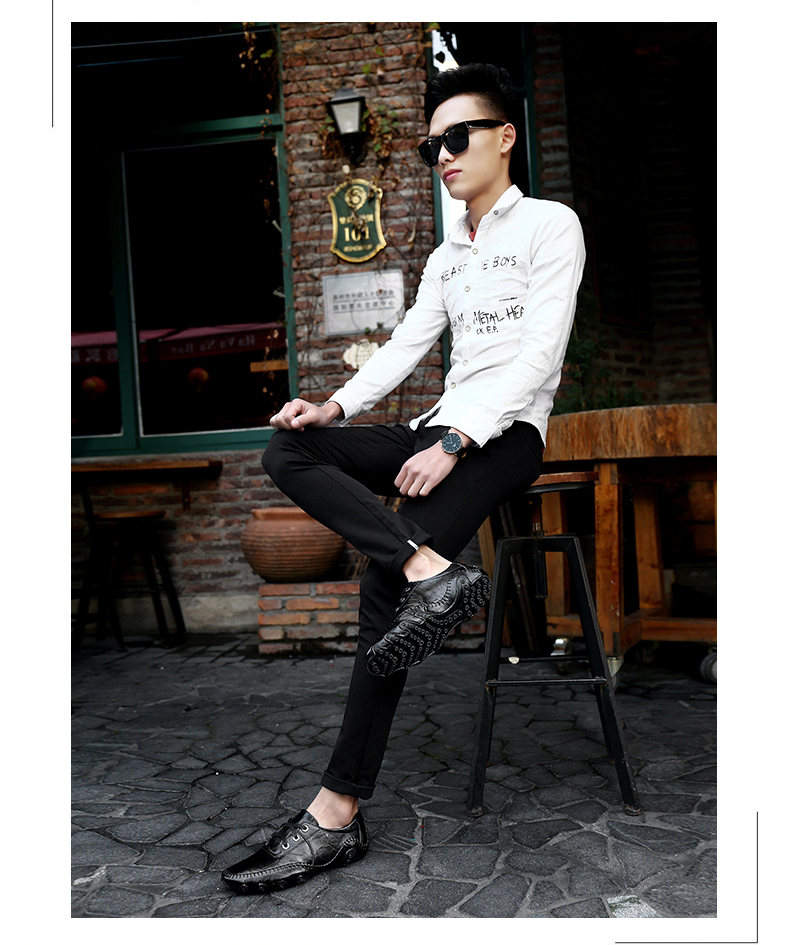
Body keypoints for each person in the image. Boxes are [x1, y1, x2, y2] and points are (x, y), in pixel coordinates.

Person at [221, 62, 586, 894]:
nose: (443, 155)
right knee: (290, 449)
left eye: (458, 137)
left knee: (382, 590)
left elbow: (539, 355)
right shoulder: (449, 254)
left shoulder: (550, 226)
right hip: (440, 426)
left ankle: (335, 813)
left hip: (505, 436)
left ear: (505, 136)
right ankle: (430, 570)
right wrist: (333, 405)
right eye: (431, 146)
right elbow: (406, 345)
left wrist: (456, 439)